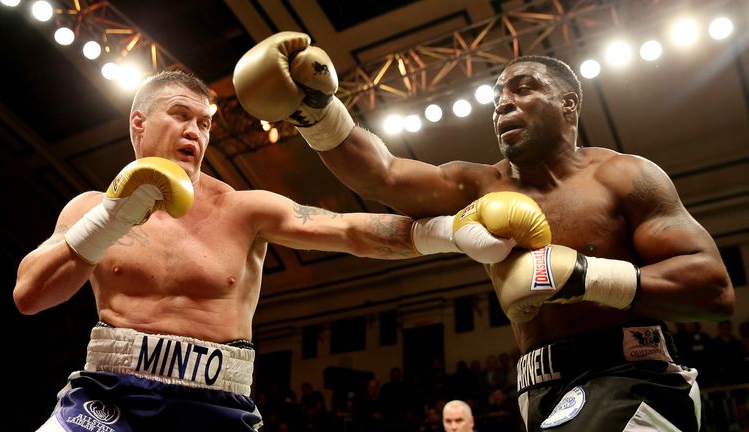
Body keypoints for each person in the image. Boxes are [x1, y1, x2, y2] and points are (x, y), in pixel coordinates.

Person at [233, 32, 736, 430]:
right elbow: (383, 174)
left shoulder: (625, 177)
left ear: (568, 105)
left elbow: (713, 287)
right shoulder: (480, 183)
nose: (503, 104)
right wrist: (317, 110)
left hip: (633, 376)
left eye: (523, 89)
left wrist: (586, 275)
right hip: (537, 389)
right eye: (498, 96)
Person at [13, 70, 541, 431]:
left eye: (204, 123)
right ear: (139, 123)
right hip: (109, 395)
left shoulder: (242, 209)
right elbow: (30, 295)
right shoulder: (89, 207)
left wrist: (452, 231)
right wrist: (113, 216)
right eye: (181, 116)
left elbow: (348, 230)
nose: (196, 131)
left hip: (215, 401)